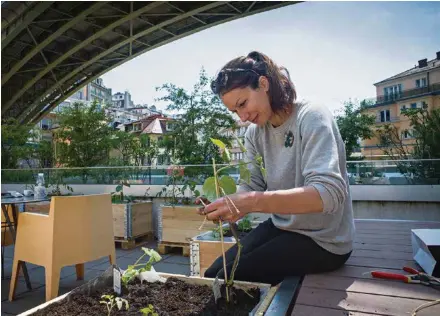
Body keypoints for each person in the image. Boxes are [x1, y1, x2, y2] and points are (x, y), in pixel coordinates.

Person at [196, 51, 356, 286]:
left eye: (243, 104)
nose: (242, 116)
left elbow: (328, 194)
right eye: (234, 111)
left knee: (229, 279)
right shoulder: (255, 133)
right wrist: (225, 204)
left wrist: (251, 201)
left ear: (263, 84)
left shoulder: (311, 116)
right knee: (214, 274)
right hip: (284, 227)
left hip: (325, 241)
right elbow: (252, 186)